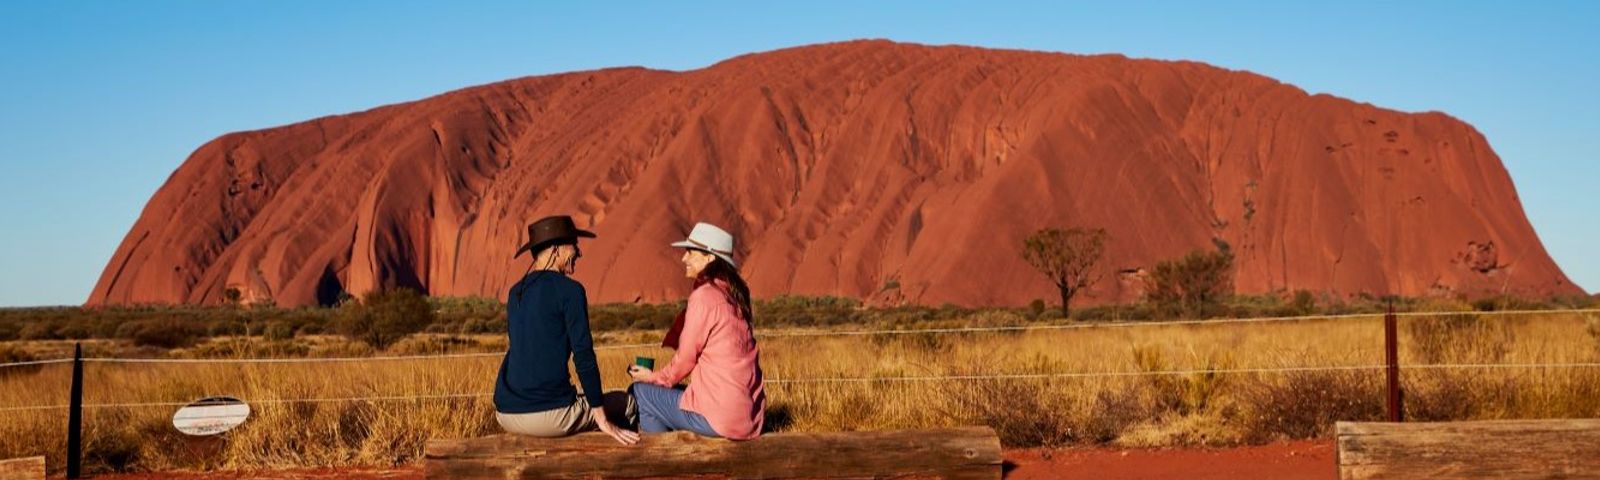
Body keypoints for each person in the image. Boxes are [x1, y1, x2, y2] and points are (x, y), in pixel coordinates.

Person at [493, 215, 639, 445]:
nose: (579, 253)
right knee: (627, 403)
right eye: (573, 245)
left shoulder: (515, 292)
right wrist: (602, 418)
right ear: (555, 250)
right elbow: (584, 357)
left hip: (506, 413)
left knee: (580, 404)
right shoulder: (570, 291)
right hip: (549, 415)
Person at [627, 222, 766, 440]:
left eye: (690, 252)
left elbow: (685, 360)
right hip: (750, 418)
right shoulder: (734, 295)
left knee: (640, 394)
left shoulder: (705, 297)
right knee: (676, 393)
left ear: (709, 258)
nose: (684, 258)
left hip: (721, 418)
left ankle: (664, 464)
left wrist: (652, 377)